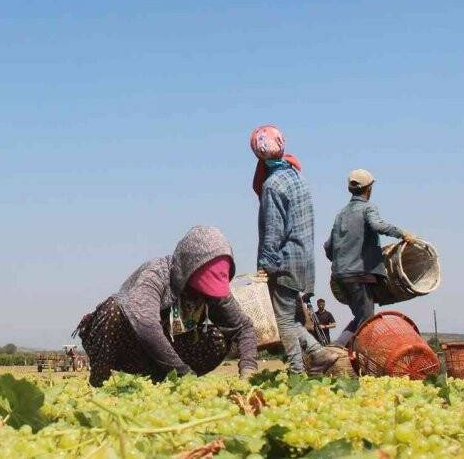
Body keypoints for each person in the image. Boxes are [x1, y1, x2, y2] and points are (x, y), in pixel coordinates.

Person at [74, 226, 258, 387]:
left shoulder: (215, 293)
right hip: (131, 347)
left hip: (168, 353)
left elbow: (244, 327)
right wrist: (183, 373)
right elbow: (146, 325)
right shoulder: (155, 274)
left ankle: (165, 382)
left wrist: (249, 368)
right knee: (112, 310)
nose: (201, 294)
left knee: (217, 339)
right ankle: (100, 381)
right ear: (187, 270)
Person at [250, 124, 337, 374]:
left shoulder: (273, 185)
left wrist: (264, 266)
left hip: (284, 261)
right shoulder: (298, 177)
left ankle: (299, 369)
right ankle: (317, 355)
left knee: (284, 320)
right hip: (303, 259)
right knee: (291, 318)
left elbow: (274, 230)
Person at [324, 169, 416, 345]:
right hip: (359, 275)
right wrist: (402, 233)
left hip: (341, 275)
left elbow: (328, 246)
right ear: (369, 188)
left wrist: (342, 262)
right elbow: (377, 225)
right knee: (367, 322)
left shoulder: (341, 214)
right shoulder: (368, 207)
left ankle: (337, 348)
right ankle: (341, 351)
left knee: (361, 318)